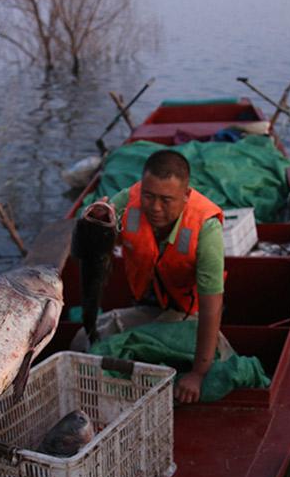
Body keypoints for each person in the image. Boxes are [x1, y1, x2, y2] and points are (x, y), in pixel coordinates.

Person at [80, 149, 229, 403]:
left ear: (186, 195)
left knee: (219, 364)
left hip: (188, 314)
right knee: (83, 340)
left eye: (166, 200)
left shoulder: (207, 229)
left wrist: (198, 373)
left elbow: (211, 307)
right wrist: (97, 223)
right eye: (148, 196)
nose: (155, 208)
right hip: (147, 304)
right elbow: (102, 231)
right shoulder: (130, 199)